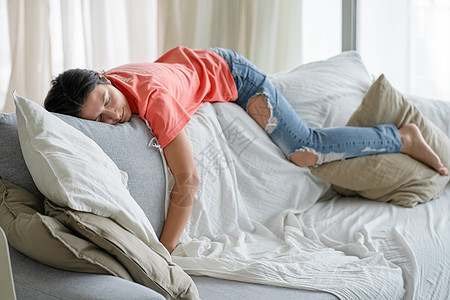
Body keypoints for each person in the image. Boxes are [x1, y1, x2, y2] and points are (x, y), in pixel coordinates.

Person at [44, 46, 448, 253]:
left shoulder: (153, 102)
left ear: (103, 77)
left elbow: (188, 179)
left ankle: (401, 137)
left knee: (304, 148)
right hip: (201, 60)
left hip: (236, 75)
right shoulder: (103, 86)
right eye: (97, 120)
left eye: (107, 101)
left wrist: (164, 250)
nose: (112, 118)